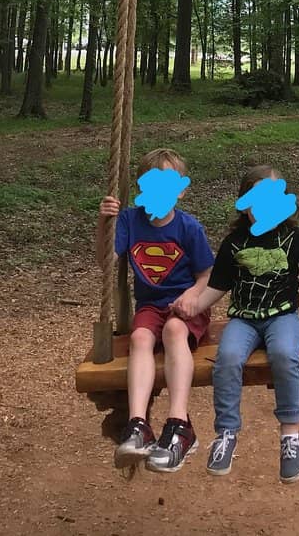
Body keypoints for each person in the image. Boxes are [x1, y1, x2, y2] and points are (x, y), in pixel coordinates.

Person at [172, 163, 299, 484]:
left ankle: (290, 436)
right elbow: (217, 286)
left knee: (284, 354)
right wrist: (191, 304)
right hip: (244, 319)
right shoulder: (234, 242)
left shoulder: (293, 236)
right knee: (226, 359)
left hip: (282, 316)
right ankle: (226, 432)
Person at [96, 147, 214, 472]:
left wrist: (193, 296)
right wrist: (103, 223)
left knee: (174, 330)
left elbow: (208, 276)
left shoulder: (189, 228)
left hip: (187, 307)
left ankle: (179, 425)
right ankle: (138, 426)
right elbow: (106, 263)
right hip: (150, 306)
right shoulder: (130, 220)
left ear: (182, 189)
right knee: (140, 339)